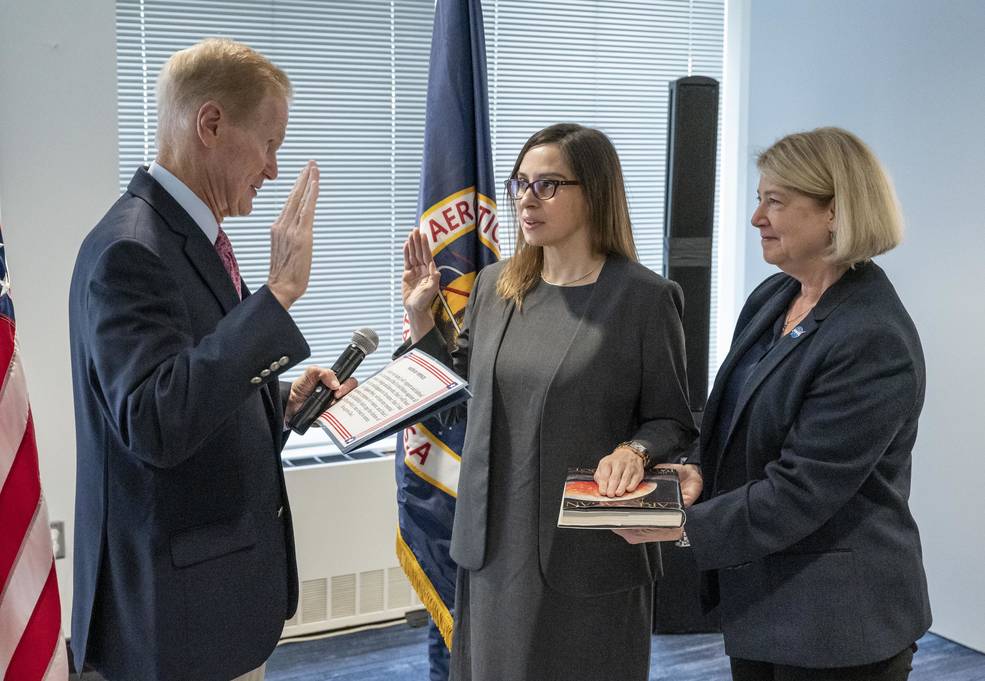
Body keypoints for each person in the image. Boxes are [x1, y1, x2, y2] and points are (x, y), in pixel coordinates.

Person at [69, 38, 354, 681]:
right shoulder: (131, 249)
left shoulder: (189, 236)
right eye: (270, 143)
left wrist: (277, 401)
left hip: (206, 610)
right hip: (172, 626)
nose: (274, 169)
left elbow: (190, 380)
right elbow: (155, 421)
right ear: (211, 124)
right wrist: (278, 296)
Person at [619, 127, 932, 680]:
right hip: (764, 600)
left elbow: (802, 489)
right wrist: (697, 475)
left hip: (838, 622)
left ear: (834, 211)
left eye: (775, 201)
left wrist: (678, 525)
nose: (756, 217)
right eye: (759, 198)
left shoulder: (871, 336)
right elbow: (740, 425)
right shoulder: (775, 296)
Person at [399, 123, 701, 681]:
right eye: (520, 184)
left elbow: (673, 419)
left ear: (596, 193)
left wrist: (636, 450)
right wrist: (422, 318)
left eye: (548, 185)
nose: (526, 199)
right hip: (493, 549)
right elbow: (456, 395)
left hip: (587, 548)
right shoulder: (495, 287)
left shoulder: (644, 299)